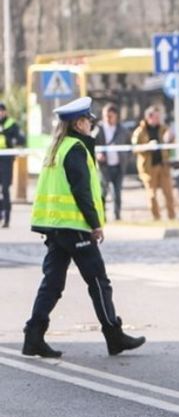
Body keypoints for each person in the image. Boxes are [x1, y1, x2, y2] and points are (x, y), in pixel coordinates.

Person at [22, 96, 145, 358]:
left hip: (57, 226)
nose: (91, 125)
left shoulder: (58, 147)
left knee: (52, 284)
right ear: (79, 123)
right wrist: (95, 224)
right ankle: (114, 335)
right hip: (75, 226)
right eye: (89, 121)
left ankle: (33, 336)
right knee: (99, 282)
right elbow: (81, 192)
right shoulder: (76, 148)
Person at [132, 107, 176, 221]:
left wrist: (170, 138)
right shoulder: (140, 131)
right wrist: (147, 146)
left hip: (163, 166)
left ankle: (172, 217)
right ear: (149, 117)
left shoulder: (163, 129)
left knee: (169, 194)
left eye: (159, 117)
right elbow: (134, 148)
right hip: (149, 168)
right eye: (155, 117)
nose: (158, 119)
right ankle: (156, 217)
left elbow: (171, 142)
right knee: (152, 195)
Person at [94, 104, 129, 221]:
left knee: (117, 192)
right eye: (105, 116)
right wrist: (97, 155)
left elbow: (129, 146)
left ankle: (117, 215)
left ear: (116, 116)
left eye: (110, 116)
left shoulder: (122, 130)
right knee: (103, 192)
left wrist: (125, 158)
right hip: (104, 167)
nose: (108, 118)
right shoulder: (98, 129)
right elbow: (91, 145)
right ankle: (101, 216)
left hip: (119, 166)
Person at [0, 102, 25, 228]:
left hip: (6, 160)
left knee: (5, 189)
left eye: (1, 111)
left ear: (5, 112)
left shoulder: (11, 124)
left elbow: (21, 139)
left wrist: (8, 137)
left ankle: (7, 219)